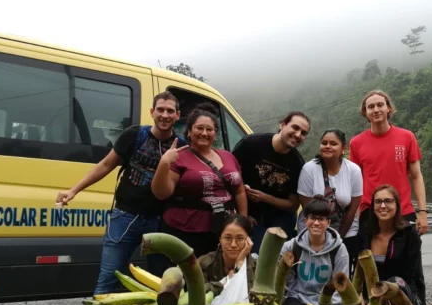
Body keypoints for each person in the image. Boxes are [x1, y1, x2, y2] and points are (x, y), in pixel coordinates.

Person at [56, 91, 182, 303]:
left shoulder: (181, 146)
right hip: (125, 216)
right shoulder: (134, 135)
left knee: (161, 282)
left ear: (177, 115)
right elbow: (106, 165)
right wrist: (74, 190)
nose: (165, 115)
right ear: (152, 112)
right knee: (108, 279)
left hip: (159, 221)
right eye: (160, 109)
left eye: (170, 111)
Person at [151, 103, 247, 259]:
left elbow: (239, 191)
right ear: (189, 131)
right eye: (199, 128)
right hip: (186, 231)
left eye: (209, 129)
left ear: (215, 133)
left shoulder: (228, 156)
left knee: (218, 277)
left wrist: (243, 223)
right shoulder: (179, 157)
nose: (204, 133)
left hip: (222, 231)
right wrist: (164, 163)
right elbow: (161, 193)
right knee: (189, 279)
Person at [349, 90, 428, 237]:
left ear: (389, 108)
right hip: (370, 213)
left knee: (406, 259)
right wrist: (359, 214)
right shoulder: (356, 143)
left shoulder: (407, 137)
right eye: (371, 107)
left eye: (380, 105)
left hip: (403, 211)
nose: (376, 109)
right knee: (371, 259)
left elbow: (416, 176)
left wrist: (422, 212)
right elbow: (355, 182)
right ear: (365, 112)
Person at [233, 111, 311, 253]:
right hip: (250, 214)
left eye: (304, 133)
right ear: (282, 125)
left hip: (280, 218)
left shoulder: (298, 164)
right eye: (295, 127)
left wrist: (264, 197)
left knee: (273, 260)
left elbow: (293, 205)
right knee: (252, 257)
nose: (298, 134)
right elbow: (230, 177)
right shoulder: (250, 144)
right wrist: (243, 215)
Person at [296, 128, 362, 272]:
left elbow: (353, 208)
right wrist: (321, 237)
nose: (327, 146)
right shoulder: (309, 169)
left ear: (343, 148)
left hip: (346, 231)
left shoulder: (353, 170)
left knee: (341, 276)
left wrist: (339, 239)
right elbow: (308, 208)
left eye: (333, 143)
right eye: (324, 143)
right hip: (312, 231)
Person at [362, 184, 426, 305]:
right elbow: (359, 274)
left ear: (397, 205)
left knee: (395, 281)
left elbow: (413, 275)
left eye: (388, 201)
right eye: (378, 202)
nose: (383, 206)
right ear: (373, 206)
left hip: (404, 297)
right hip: (370, 297)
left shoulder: (409, 234)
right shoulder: (365, 234)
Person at [280, 196, 350, 305]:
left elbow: (341, 287)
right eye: (312, 218)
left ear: (328, 222)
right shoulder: (291, 246)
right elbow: (280, 278)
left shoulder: (339, 249)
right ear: (305, 220)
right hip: (297, 299)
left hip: (328, 304)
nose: (316, 223)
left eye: (321, 219)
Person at [198, 215, 256, 301]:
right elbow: (197, 293)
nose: (233, 244)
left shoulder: (258, 267)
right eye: (227, 238)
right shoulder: (203, 263)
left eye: (239, 238)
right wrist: (227, 281)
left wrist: (239, 264)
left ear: (249, 240)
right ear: (220, 239)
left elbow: (252, 298)